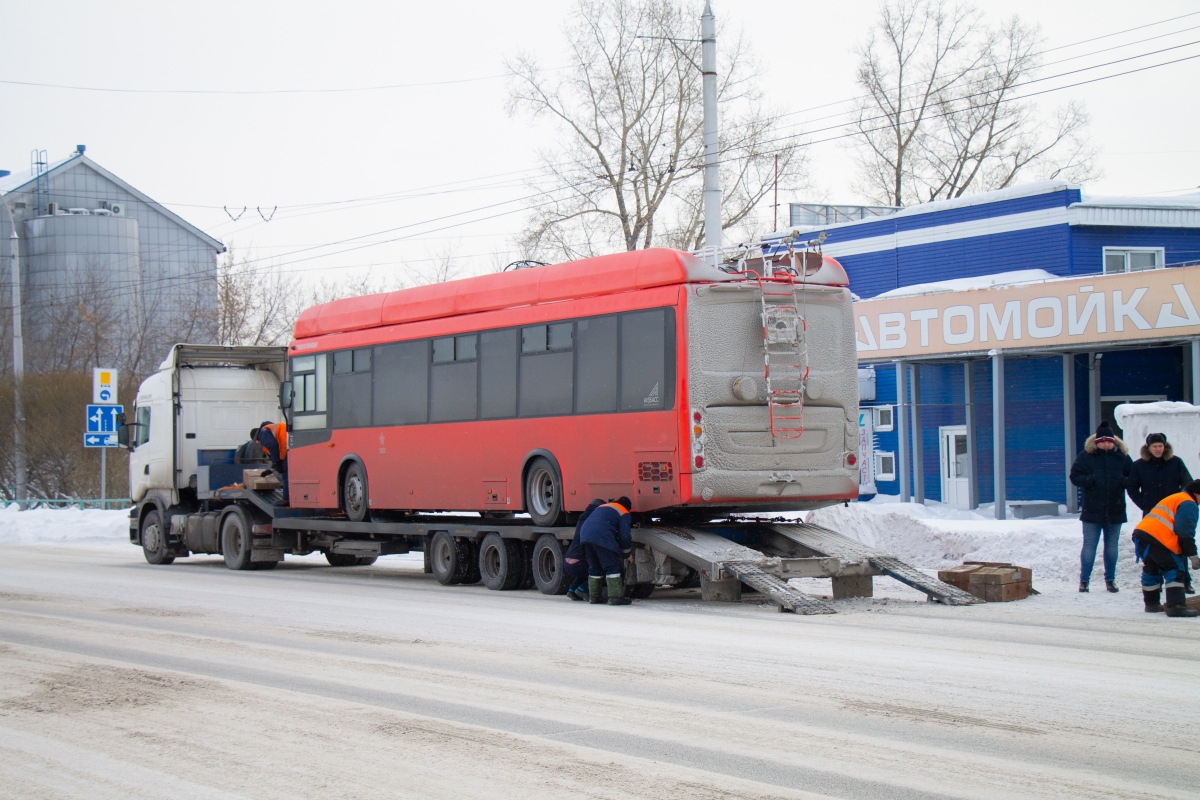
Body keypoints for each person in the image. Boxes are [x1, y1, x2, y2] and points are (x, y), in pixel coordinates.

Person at [1070, 421, 1133, 594]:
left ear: (1114, 442)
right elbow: (1074, 476)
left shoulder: (1122, 458)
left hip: (1115, 509)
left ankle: (1110, 580)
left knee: (1112, 546)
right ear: (1096, 442)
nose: (1106, 444)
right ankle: (1084, 581)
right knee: (1089, 545)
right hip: (1092, 509)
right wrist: (1089, 480)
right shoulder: (1086, 456)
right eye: (1102, 441)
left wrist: (1124, 482)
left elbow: (1133, 477)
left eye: (1109, 441)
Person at [1127, 432, 1194, 593]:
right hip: (1152, 515)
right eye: (1155, 446)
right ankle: (1156, 583)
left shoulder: (1175, 462)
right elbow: (1131, 487)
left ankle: (1184, 581)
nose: (1158, 449)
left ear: (1165, 447)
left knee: (1178, 545)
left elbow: (1187, 483)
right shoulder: (1138, 465)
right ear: (1148, 448)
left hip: (1173, 514)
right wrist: (1143, 504)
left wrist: (1182, 502)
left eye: (1161, 446)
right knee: (1153, 549)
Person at [1131, 479, 1200, 617]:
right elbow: (1184, 532)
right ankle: (1176, 606)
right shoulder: (1189, 503)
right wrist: (1193, 556)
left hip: (1142, 534)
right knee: (1174, 568)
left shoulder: (1176, 497)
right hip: (1157, 538)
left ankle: (1151, 604)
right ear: (1197, 494)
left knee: (1152, 569)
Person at [578, 496, 634, 605]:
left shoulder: (602, 507)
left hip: (585, 536)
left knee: (595, 567)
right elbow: (625, 535)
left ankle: (594, 596)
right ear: (627, 507)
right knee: (612, 567)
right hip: (602, 537)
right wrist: (626, 554)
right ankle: (615, 597)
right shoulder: (624, 512)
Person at [564, 499, 604, 601]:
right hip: (579, 560)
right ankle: (582, 589)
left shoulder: (582, 518)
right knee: (601, 570)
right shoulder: (595, 520)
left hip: (568, 559)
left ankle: (572, 590)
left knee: (585, 572)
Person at [255, 420, 289, 503]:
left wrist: (276, 463)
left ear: (256, 438)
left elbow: (272, 446)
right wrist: (271, 470)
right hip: (293, 448)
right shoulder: (273, 429)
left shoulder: (263, 433)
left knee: (286, 476)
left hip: (286, 450)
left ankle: (286, 499)